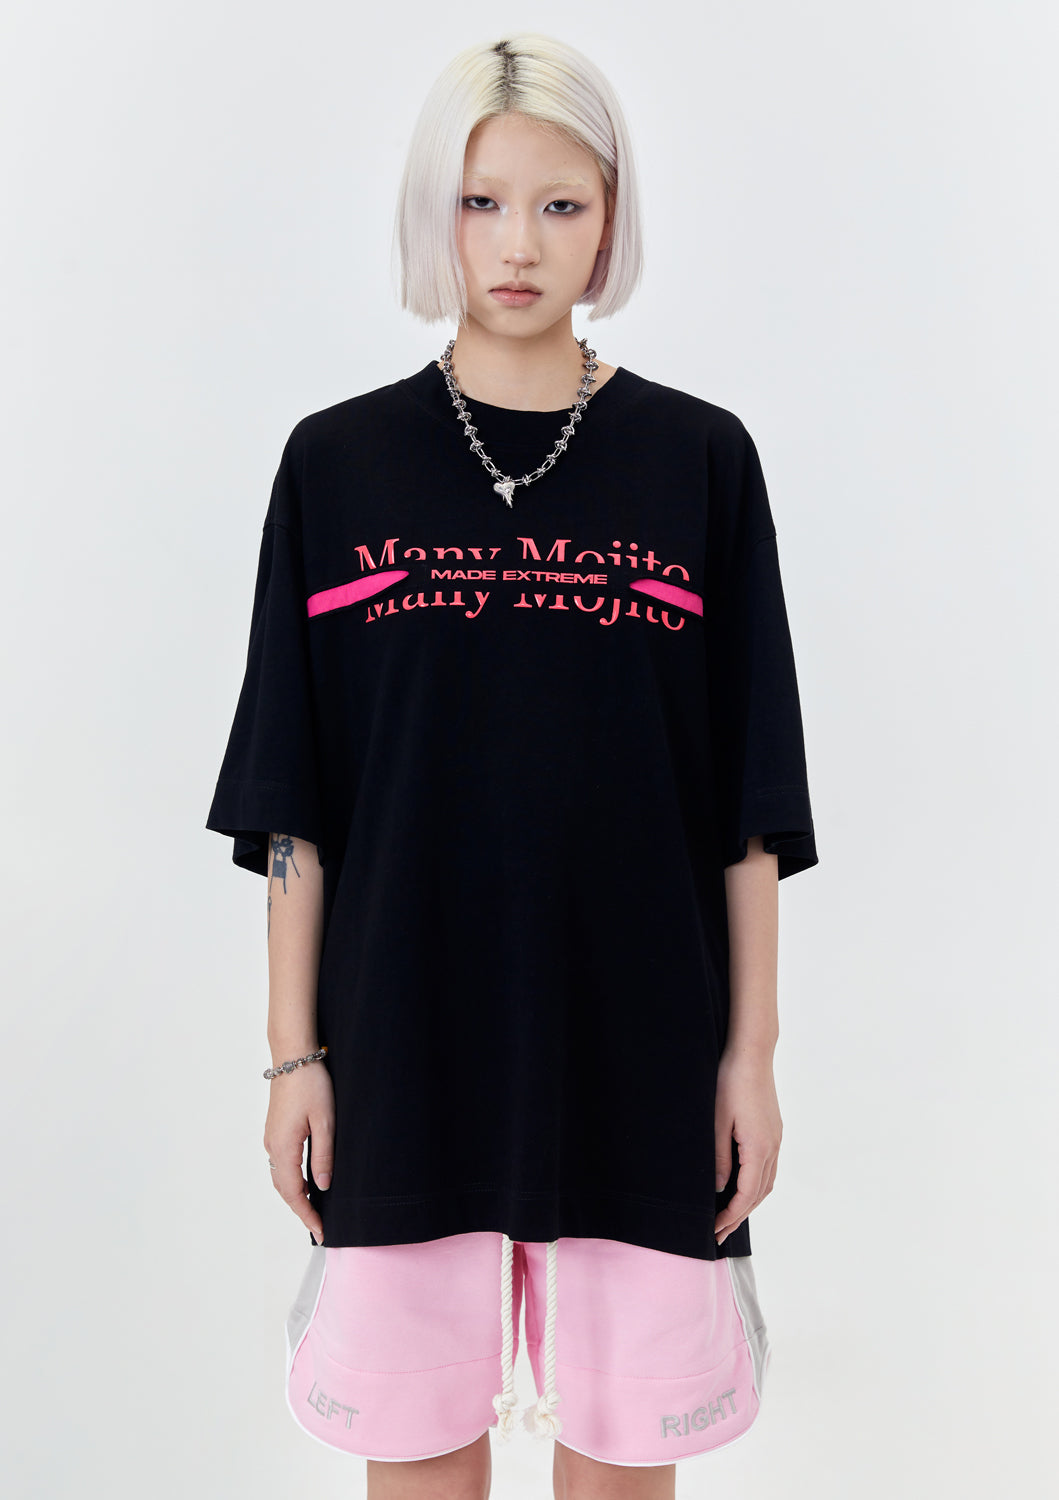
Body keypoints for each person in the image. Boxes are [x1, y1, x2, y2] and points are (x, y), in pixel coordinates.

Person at [205, 31, 818, 1500]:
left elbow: (748, 809)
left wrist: (751, 1058)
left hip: (644, 1049)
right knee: (417, 1458)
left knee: (623, 1463)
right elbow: (296, 803)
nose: (520, 245)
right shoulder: (336, 464)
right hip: (400, 1047)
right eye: (481, 203)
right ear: (435, 214)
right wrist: (293, 1058)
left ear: (611, 217)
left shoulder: (701, 461)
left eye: (560, 203)